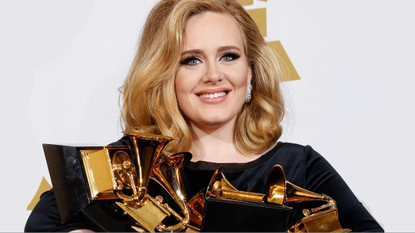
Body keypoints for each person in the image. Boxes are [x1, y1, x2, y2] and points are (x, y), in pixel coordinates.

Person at [25, 0, 384, 232]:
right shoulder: (135, 166)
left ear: (252, 72)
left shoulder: (300, 165)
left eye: (229, 56)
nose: (213, 74)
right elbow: (45, 220)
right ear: (166, 74)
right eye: (191, 59)